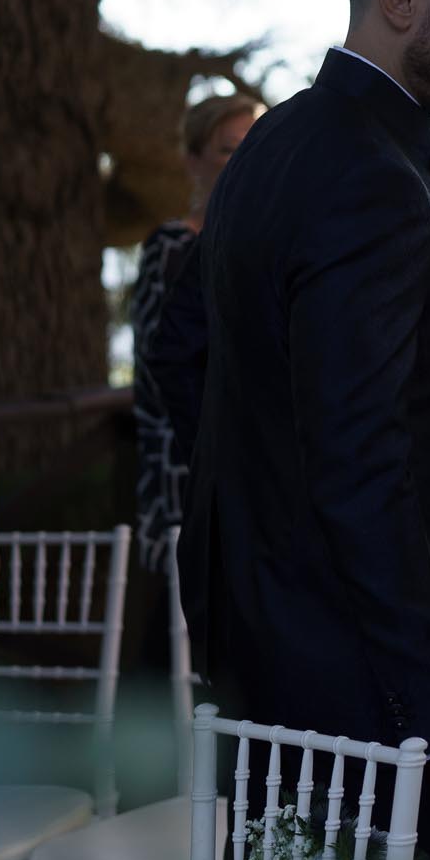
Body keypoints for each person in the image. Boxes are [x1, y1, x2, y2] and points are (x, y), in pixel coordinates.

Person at [178, 0, 430, 860]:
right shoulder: (370, 175)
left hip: (254, 636)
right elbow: (360, 463)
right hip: (355, 676)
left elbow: (226, 376)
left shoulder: (277, 144)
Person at [128, 92, 262, 574]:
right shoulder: (170, 248)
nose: (243, 160)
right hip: (185, 460)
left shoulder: (261, 249)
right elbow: (156, 363)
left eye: (252, 146)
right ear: (193, 160)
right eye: (228, 148)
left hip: (252, 465)